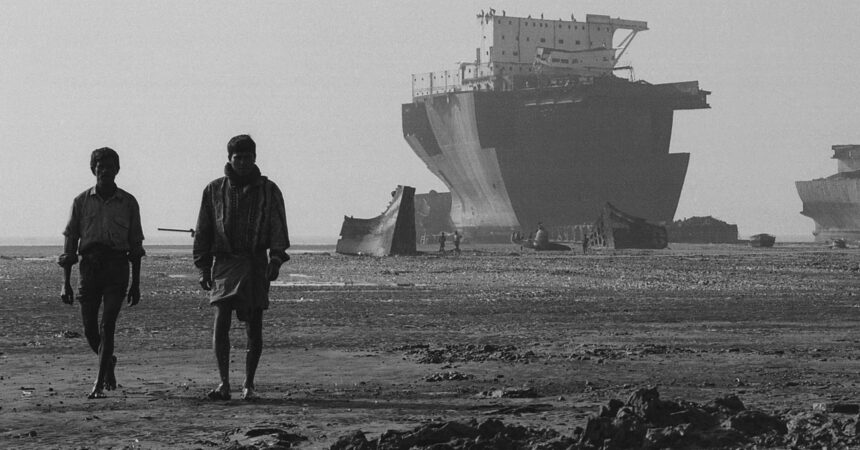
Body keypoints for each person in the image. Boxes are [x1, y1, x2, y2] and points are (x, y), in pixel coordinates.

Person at [193, 134, 290, 401]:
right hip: (224, 263)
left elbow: (277, 227)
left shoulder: (269, 191)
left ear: (255, 158)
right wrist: (203, 268)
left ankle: (249, 384)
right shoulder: (213, 191)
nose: (244, 163)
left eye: (248, 158)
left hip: (256, 262)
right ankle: (224, 383)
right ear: (230, 159)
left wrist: (276, 260)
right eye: (239, 158)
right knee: (221, 318)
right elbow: (204, 231)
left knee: (254, 325)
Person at [58, 147, 145, 399]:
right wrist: (65, 284)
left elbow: (136, 247)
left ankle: (98, 383)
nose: (105, 171)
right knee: (90, 330)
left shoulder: (128, 202)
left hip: (117, 268)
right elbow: (70, 246)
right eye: (100, 166)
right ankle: (108, 362)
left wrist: (136, 284)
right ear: (93, 169)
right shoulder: (81, 202)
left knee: (108, 324)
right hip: (89, 269)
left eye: (110, 166)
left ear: (117, 170)